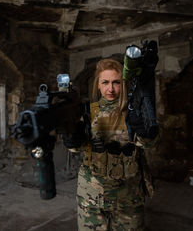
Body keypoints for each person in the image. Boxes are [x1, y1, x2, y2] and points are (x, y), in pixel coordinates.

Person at [63, 58, 159, 231]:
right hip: (91, 197)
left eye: (116, 82)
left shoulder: (133, 110)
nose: (111, 89)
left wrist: (144, 129)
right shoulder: (87, 111)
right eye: (105, 82)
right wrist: (72, 137)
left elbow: (148, 144)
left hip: (128, 196)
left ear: (123, 84)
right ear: (97, 85)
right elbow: (75, 148)